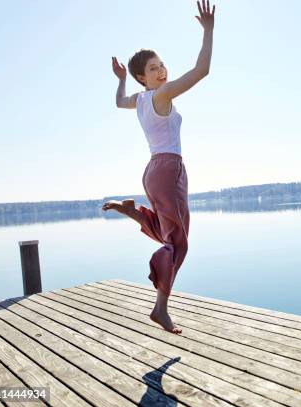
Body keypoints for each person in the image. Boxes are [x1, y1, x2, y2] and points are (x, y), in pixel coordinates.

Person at [102, 0, 215, 334]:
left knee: (170, 234)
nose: (161, 70)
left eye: (161, 64)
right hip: (168, 169)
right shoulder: (161, 95)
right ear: (144, 77)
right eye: (153, 68)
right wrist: (208, 31)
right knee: (180, 243)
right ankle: (160, 310)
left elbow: (118, 101)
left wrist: (122, 79)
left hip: (153, 171)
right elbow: (202, 71)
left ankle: (135, 212)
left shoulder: (138, 100)